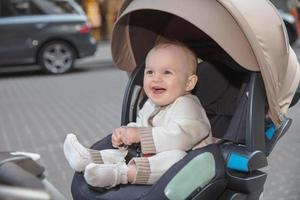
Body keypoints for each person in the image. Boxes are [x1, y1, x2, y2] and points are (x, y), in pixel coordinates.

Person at [63, 40, 213, 188]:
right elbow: (140, 126)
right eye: (150, 72)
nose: (156, 78)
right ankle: (88, 159)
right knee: (120, 154)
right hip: (148, 157)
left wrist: (140, 135)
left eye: (167, 72)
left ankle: (122, 174)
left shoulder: (188, 105)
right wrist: (126, 134)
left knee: (177, 158)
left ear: (189, 83)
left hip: (191, 168)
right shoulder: (150, 103)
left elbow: (181, 138)